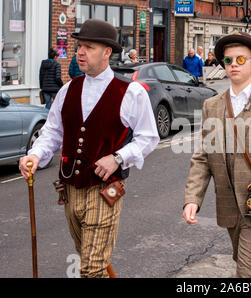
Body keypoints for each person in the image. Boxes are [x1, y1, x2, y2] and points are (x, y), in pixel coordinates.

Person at [19, 19, 160, 278]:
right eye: (79, 46)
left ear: (107, 52)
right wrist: (35, 155)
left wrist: (118, 158)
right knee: (90, 259)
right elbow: (52, 131)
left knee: (91, 269)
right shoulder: (67, 90)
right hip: (70, 191)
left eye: (89, 47)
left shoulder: (130, 92)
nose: (80, 52)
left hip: (104, 192)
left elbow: (149, 137)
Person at [183, 31, 251, 278]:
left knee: (247, 273)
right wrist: (193, 198)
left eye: (240, 60)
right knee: (242, 263)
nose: (233, 65)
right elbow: (203, 157)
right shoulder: (212, 106)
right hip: (229, 208)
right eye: (228, 60)